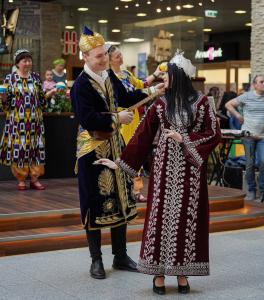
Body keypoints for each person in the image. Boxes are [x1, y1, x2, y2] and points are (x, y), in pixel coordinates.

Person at [98, 51, 221, 294]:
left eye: (168, 76)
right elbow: (142, 136)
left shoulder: (202, 102)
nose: (164, 80)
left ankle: (183, 273)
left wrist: (184, 138)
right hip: (163, 170)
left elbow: (213, 134)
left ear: (180, 77)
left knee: (187, 219)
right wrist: (120, 163)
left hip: (190, 173)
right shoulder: (160, 103)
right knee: (161, 218)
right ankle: (158, 274)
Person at [70, 26, 164, 280]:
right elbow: (87, 118)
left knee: (122, 199)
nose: (104, 59)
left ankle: (120, 255)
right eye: (98, 56)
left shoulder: (109, 77)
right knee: (94, 202)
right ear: (86, 57)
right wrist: (116, 118)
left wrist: (155, 91)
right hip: (92, 150)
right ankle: (96, 260)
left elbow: (127, 95)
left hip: (115, 148)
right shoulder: (80, 85)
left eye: (104, 54)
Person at [108, 45, 162, 201]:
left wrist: (155, 74)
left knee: (136, 152)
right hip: (120, 119)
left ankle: (136, 190)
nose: (121, 58)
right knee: (121, 154)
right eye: (117, 56)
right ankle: (120, 189)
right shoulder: (110, 78)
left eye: (120, 55)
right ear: (110, 60)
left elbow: (141, 84)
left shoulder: (126, 74)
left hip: (134, 119)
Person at [0, 49, 56, 190]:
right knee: (20, 148)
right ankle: (21, 179)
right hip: (17, 121)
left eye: (29, 60)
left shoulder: (36, 78)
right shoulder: (10, 79)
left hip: (35, 121)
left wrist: (50, 93)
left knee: (36, 148)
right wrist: (3, 98)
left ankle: (35, 178)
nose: (27, 63)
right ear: (17, 63)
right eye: (24, 60)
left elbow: (42, 99)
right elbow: (5, 104)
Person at [225, 75, 264, 201]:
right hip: (248, 136)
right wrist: (238, 115)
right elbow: (228, 104)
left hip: (263, 136)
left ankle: (263, 190)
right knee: (249, 164)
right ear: (255, 84)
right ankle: (251, 189)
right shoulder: (247, 96)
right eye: (261, 82)